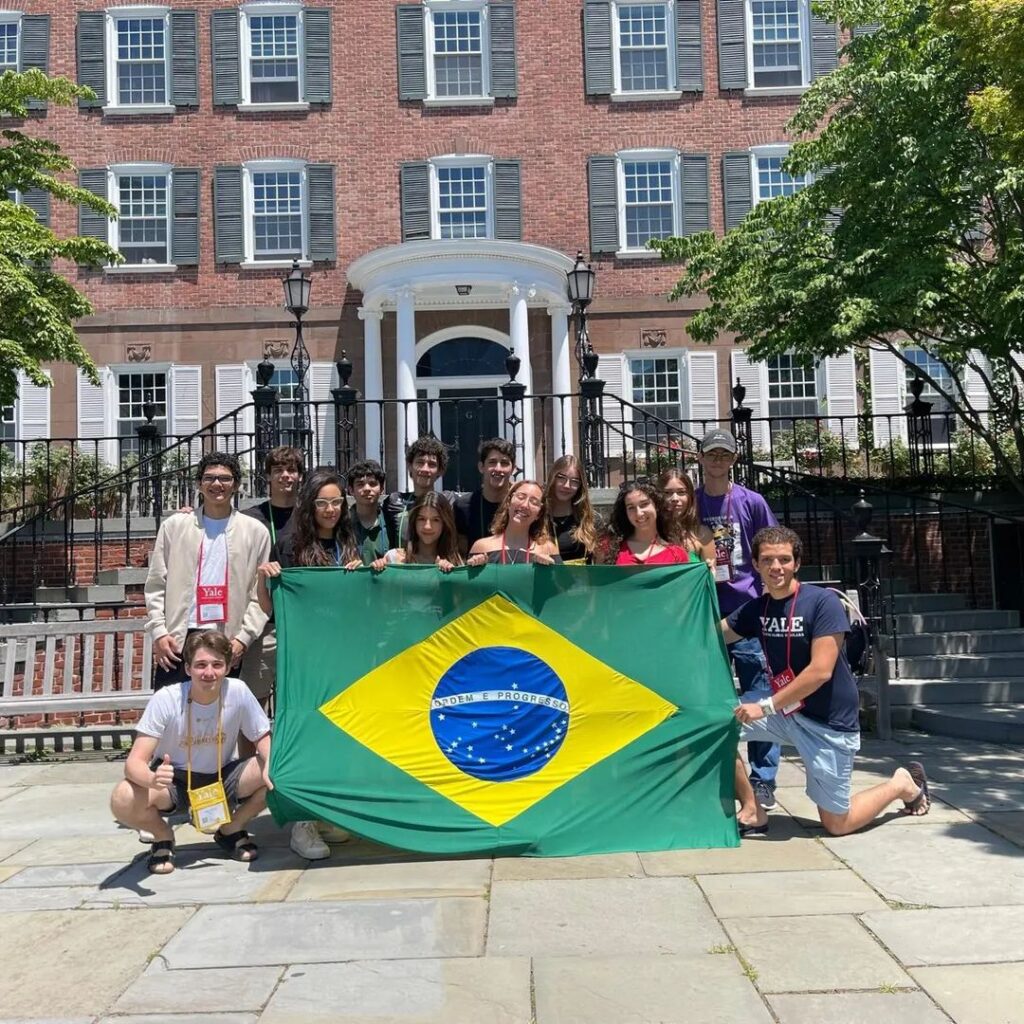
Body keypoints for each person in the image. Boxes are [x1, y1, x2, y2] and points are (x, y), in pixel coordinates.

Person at [723, 526, 930, 836]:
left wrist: (764, 707)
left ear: (797, 563)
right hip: (787, 712)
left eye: (784, 559)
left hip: (828, 723)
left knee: (836, 823)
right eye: (767, 560)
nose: (776, 567)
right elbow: (712, 632)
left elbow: (820, 671)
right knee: (717, 725)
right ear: (755, 564)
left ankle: (902, 783)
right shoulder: (759, 608)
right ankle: (753, 809)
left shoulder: (823, 603)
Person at [255, 467, 360, 861]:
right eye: (323, 503)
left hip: (342, 653)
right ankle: (301, 820)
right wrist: (264, 580)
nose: (331, 510)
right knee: (304, 729)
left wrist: (365, 573)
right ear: (309, 505)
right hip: (304, 655)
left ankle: (325, 811)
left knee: (336, 732)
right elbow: (271, 608)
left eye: (337, 502)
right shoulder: (289, 544)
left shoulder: (349, 542)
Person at [109, 630, 273, 874]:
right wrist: (152, 779)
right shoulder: (166, 699)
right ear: (187, 669)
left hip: (222, 776)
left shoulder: (237, 690)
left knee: (280, 768)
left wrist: (269, 761)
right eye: (201, 665)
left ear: (228, 667)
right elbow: (134, 763)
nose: (209, 673)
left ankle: (231, 829)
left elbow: (261, 735)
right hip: (174, 780)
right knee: (123, 797)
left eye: (217, 664)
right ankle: (162, 835)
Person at [697, 428, 781, 811]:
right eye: (711, 454)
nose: (717, 461)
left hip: (746, 611)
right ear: (701, 457)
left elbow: (773, 545)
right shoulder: (690, 502)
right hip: (703, 613)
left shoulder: (751, 501)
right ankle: (716, 777)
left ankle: (763, 779)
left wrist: (771, 594)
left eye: (724, 455)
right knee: (709, 696)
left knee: (758, 696)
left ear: (733, 460)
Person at [145, 452, 269, 690]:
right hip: (178, 638)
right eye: (209, 478)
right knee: (173, 716)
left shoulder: (255, 532)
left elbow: (259, 594)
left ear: (236, 485)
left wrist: (243, 639)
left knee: (223, 717)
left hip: (227, 638)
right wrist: (159, 632)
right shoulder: (174, 526)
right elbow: (156, 585)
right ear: (198, 484)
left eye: (225, 478)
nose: (217, 484)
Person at [239, 445, 304, 713]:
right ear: (267, 476)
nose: (285, 476)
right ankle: (250, 757)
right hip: (265, 625)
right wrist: (187, 513)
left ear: (300, 475)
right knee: (253, 703)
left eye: (291, 470)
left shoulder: (311, 516)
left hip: (303, 626)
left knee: (298, 702)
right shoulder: (250, 519)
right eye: (278, 470)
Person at [381, 436, 455, 548]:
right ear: (410, 466)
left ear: (440, 470)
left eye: (432, 464)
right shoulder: (393, 503)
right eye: (420, 462)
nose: (425, 469)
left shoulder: (449, 502)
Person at [468, 479, 560, 565]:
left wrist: (550, 570)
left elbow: (563, 581)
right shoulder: (482, 547)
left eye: (534, 502)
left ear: (539, 514)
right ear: (508, 502)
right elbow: (468, 581)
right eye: (521, 497)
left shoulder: (548, 549)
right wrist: (475, 567)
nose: (525, 505)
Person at [371, 491, 464, 572]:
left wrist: (449, 577)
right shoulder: (393, 558)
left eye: (436, 520)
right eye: (421, 519)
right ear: (414, 521)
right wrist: (377, 569)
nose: (427, 526)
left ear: (445, 523)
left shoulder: (455, 562)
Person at [454, 437, 517, 555]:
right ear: (481, 467)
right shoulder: (463, 506)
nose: (498, 469)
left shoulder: (520, 505)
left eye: (504, 463)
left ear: (513, 469)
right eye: (492, 462)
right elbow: (460, 553)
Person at [609, 480, 691, 565]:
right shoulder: (612, 549)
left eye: (644, 504)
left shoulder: (677, 554)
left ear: (657, 506)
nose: (639, 513)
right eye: (631, 507)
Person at [543, 454, 601, 564]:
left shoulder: (590, 520)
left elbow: (601, 561)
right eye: (561, 478)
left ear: (581, 485)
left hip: (583, 580)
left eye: (574, 481)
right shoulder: (538, 517)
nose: (567, 485)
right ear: (552, 478)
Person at [658, 467, 715, 567]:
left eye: (681, 492)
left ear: (690, 497)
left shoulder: (703, 534)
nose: (675, 498)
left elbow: (710, 578)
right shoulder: (650, 534)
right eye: (667, 493)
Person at [347, 460, 390, 565]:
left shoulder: (391, 522)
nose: (367, 489)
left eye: (372, 484)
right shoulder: (342, 523)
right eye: (360, 484)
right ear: (351, 490)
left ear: (382, 488)